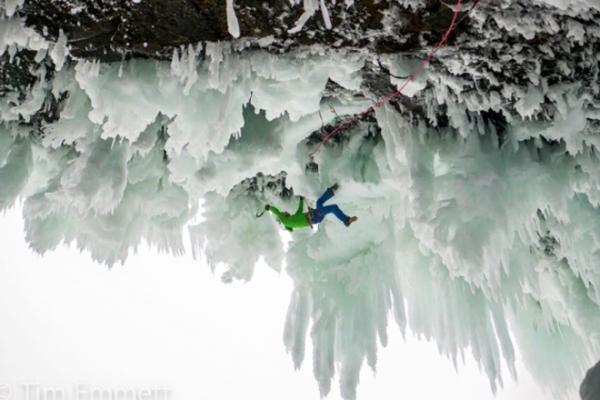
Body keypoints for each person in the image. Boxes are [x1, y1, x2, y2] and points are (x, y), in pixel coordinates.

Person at [265, 184, 357, 231]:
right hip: (313, 217)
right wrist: (269, 208)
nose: (284, 212)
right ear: (281, 217)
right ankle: (346, 220)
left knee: (319, 202)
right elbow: (277, 212)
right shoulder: (285, 221)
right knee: (333, 208)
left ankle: (331, 191)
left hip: (315, 217)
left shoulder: (291, 220)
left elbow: (300, 210)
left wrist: (301, 200)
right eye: (283, 213)